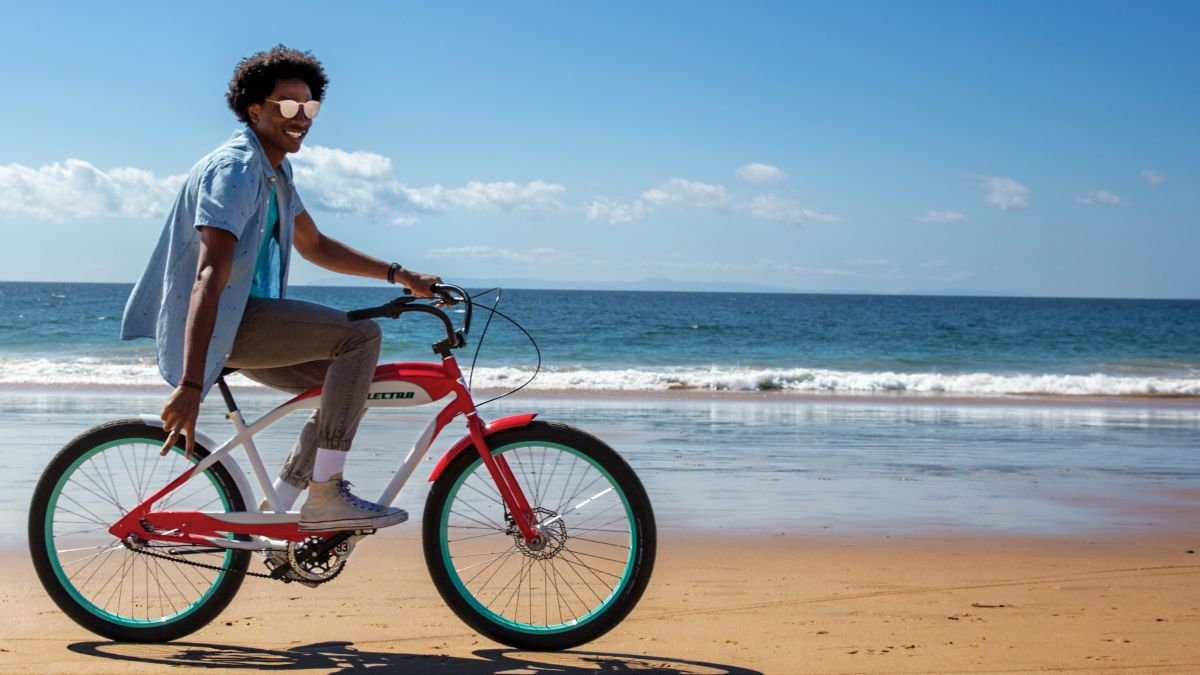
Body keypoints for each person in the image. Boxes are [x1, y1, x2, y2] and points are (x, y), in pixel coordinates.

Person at [121, 45, 440, 534]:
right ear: (255, 109)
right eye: (287, 106)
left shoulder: (276, 171)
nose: (301, 117)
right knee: (361, 338)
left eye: (309, 107)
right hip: (223, 324)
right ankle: (327, 493)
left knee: (346, 381)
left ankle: (284, 508)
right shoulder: (237, 169)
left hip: (239, 319)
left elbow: (315, 244)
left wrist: (400, 275)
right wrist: (189, 385)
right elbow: (210, 275)